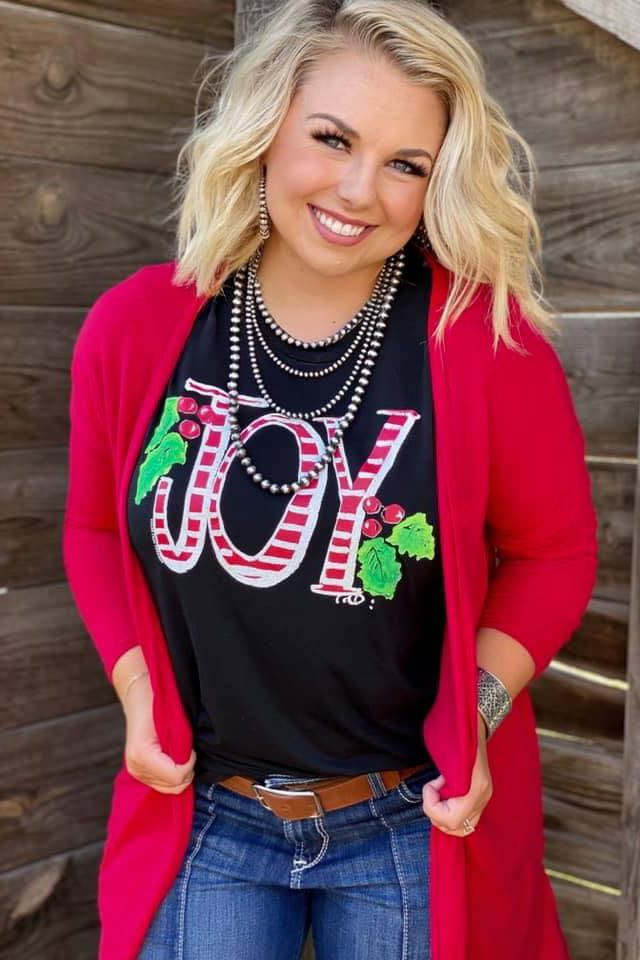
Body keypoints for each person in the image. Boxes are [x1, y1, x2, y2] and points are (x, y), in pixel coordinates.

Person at [62, 1, 598, 958]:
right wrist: (138, 693)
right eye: (333, 138)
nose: (360, 191)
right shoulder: (137, 327)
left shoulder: (487, 346)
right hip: (208, 815)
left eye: (406, 164)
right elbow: (96, 530)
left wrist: (475, 716)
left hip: (409, 822)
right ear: (266, 127)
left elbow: (553, 556)